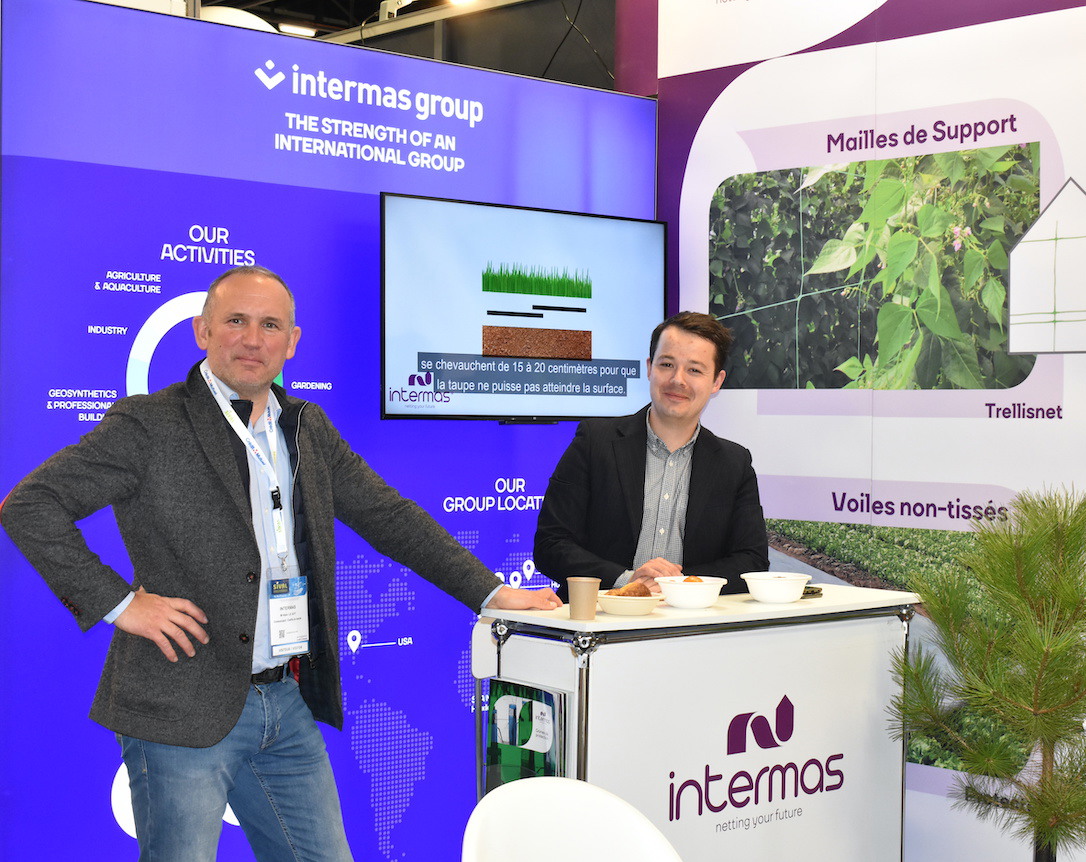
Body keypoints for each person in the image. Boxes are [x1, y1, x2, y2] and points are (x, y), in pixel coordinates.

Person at [0, 265, 561, 861]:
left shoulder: (305, 427)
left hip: (285, 700)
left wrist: (490, 593)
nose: (252, 339)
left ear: (291, 342)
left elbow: (388, 516)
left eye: (270, 325)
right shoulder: (149, 424)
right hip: (179, 703)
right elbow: (30, 505)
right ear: (202, 331)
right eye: (235, 321)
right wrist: (121, 603)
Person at [533, 311, 768, 599]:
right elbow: (551, 545)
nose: (677, 380)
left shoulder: (734, 463)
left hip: (692, 619)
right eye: (667, 364)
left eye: (694, 370)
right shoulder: (595, 442)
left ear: (716, 382)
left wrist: (681, 584)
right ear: (649, 367)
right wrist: (628, 581)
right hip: (600, 615)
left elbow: (752, 561)